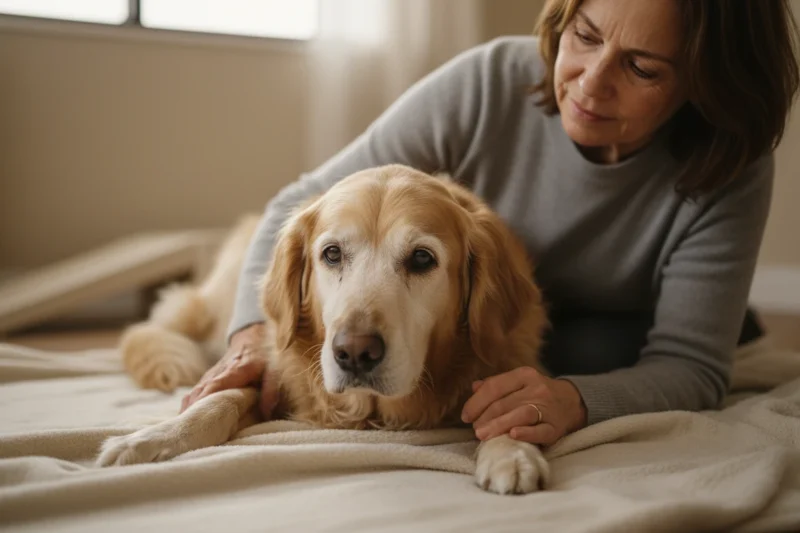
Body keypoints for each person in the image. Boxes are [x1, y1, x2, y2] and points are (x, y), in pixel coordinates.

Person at [181, 0, 800, 446]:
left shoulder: (730, 166)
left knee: (600, 354)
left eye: (641, 69)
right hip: (482, 317)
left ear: (705, 86)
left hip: (597, 333)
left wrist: (576, 401)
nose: (590, 80)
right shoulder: (490, 81)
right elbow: (307, 201)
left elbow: (691, 366)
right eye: (585, 35)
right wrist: (250, 339)